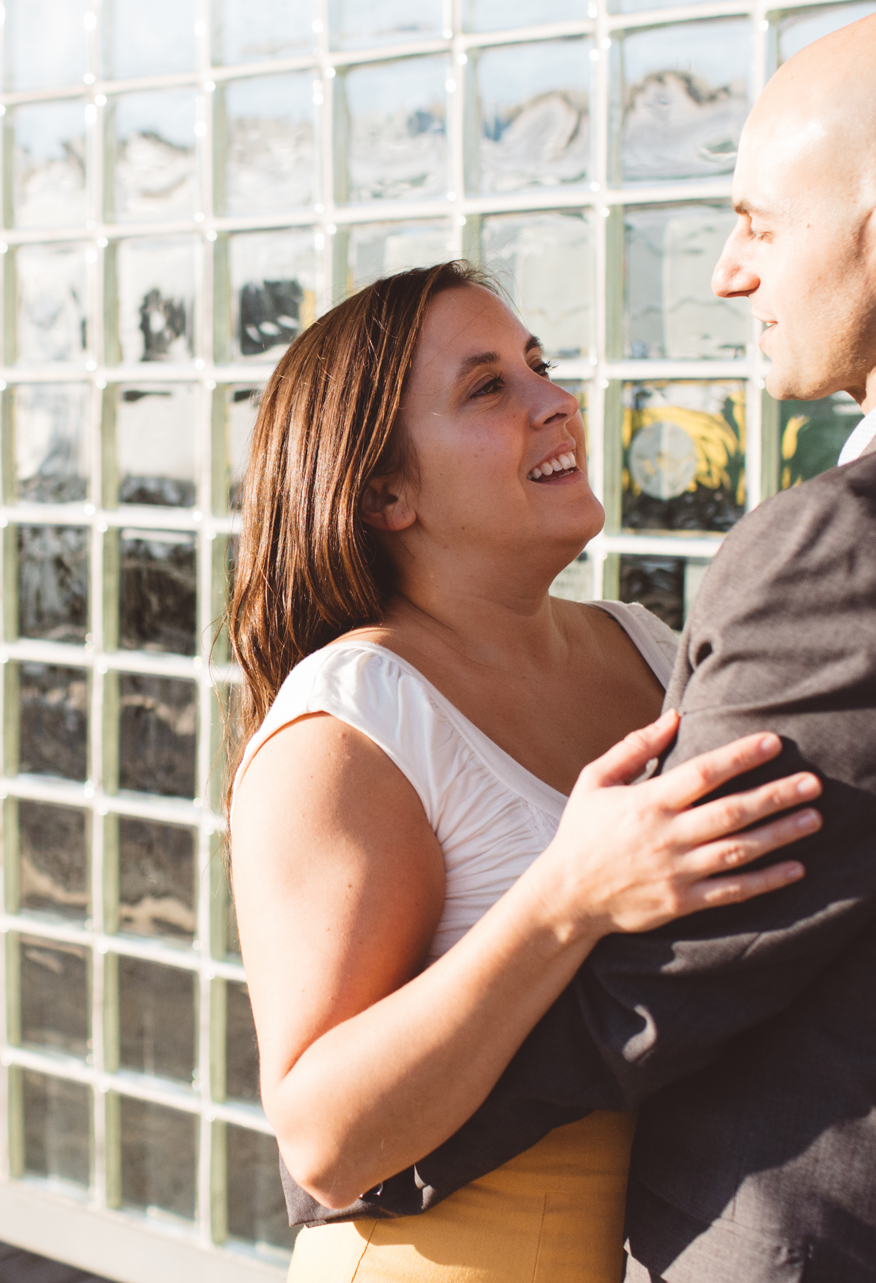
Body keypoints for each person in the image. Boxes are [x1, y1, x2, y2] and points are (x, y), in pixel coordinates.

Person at [318, 2, 876, 1281]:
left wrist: (364, 1151)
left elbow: (668, 974)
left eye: (755, 222)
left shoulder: (862, 542)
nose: (727, 274)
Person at [226, 260, 825, 1282]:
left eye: (537, 366)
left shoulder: (644, 646)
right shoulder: (349, 724)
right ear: (385, 491)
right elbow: (323, 1136)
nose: (555, 402)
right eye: (488, 386)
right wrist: (566, 896)